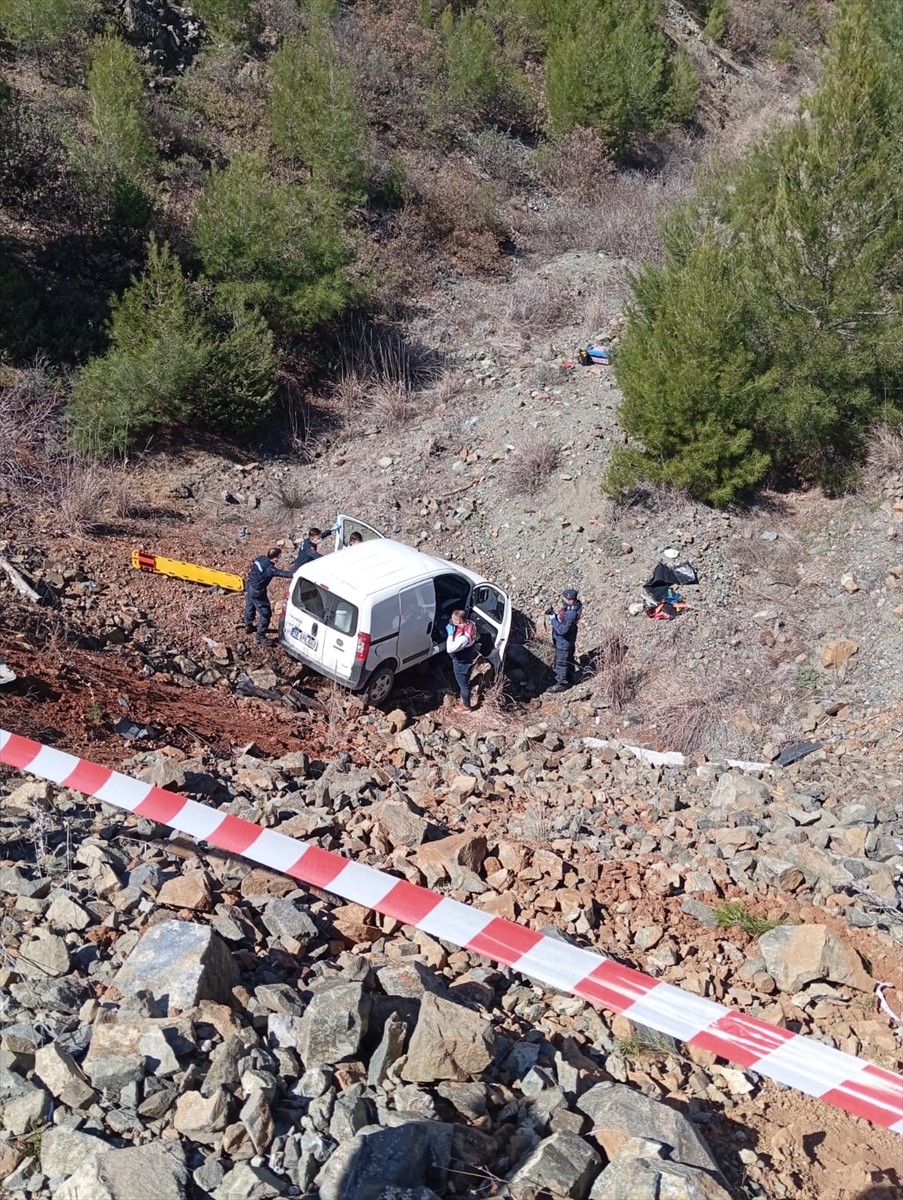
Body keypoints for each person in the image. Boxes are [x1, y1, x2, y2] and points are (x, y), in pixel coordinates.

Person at [244, 548, 293, 644]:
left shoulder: (260, 558)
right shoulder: (270, 569)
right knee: (266, 615)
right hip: (258, 592)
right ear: (275, 558)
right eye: (279, 556)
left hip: (250, 585)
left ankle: (248, 625)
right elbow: (282, 573)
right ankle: (260, 636)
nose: (279, 558)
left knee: (250, 605)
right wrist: (295, 574)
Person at [547, 587, 582, 692]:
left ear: (570, 600)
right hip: (569, 640)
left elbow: (562, 630)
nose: (564, 601)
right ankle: (570, 678)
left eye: (566, 599)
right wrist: (555, 615)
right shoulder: (574, 607)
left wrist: (553, 619)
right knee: (569, 659)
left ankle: (561, 683)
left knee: (561, 662)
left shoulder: (571, 613)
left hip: (564, 642)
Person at [446, 608, 478, 712]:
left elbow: (450, 648)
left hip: (461, 662)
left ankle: (466, 706)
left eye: (453, 620)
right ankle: (464, 700)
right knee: (464, 681)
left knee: (463, 685)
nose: (451, 621)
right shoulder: (470, 623)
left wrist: (450, 634)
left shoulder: (463, 637)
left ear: (459, 622)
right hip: (467, 656)